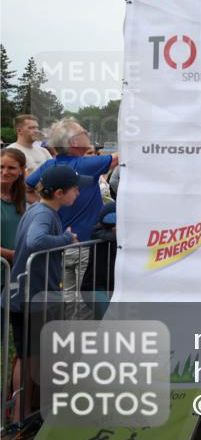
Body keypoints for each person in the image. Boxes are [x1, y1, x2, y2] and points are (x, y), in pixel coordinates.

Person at [7, 164, 88, 420]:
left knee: (32, 355)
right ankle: (21, 415)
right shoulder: (43, 214)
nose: (78, 193)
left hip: (31, 294)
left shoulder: (39, 210)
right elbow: (36, 241)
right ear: (59, 193)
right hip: (31, 296)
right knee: (29, 357)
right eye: (75, 189)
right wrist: (66, 239)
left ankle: (26, 412)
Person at [25, 119, 118, 319]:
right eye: (84, 132)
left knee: (67, 297)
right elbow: (123, 156)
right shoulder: (86, 164)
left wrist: (50, 205)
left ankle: (66, 332)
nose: (88, 135)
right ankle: (80, 335)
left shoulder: (50, 165)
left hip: (60, 244)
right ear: (74, 142)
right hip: (85, 245)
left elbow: (27, 187)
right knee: (86, 298)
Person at [2, 148, 28, 264]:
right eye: (1, 167)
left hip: (15, 267)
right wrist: (10, 254)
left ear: (21, 169)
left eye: (11, 168)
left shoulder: (21, 196)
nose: (5, 172)